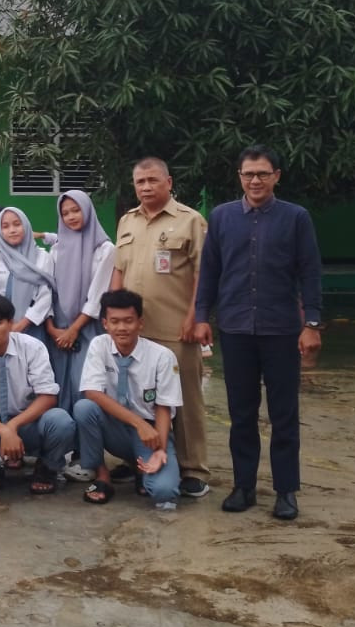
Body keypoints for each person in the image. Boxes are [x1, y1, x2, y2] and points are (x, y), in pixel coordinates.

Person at [194, 145, 322, 521]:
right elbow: (210, 271)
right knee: (242, 414)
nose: (255, 180)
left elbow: (310, 272)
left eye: (263, 174)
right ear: (240, 177)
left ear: (276, 176)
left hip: (281, 328)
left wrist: (311, 323)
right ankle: (243, 486)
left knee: (284, 414)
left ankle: (285, 491)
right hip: (235, 329)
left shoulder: (296, 218)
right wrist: (203, 316)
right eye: (248, 174)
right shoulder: (221, 218)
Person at [109, 158, 210, 499]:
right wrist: (110, 312)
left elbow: (203, 273)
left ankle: (193, 468)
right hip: (132, 331)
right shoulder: (127, 221)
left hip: (175, 329)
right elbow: (119, 271)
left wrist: (195, 316)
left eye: (153, 180)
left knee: (186, 401)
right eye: (140, 182)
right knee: (134, 399)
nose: (146, 187)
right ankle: (136, 456)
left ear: (168, 181)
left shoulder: (190, 221)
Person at [0, 296, 74, 495]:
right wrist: (2, 430)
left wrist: (12, 426)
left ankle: (47, 468)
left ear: (11, 323)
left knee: (61, 422)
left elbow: (48, 396)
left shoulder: (32, 347)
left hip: (28, 420)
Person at [73, 289, 182, 509]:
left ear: (140, 323)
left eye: (128, 321)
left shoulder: (162, 356)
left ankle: (140, 467)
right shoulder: (99, 345)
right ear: (105, 323)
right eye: (115, 321)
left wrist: (159, 449)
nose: (122, 328)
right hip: (115, 426)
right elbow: (92, 392)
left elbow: (163, 407)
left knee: (165, 492)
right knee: (84, 408)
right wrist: (138, 423)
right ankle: (102, 477)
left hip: (150, 433)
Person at [33, 190, 114, 420]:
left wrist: (74, 329)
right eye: (65, 213)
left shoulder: (105, 249)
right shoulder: (58, 248)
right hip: (58, 330)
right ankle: (61, 447)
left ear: (87, 210)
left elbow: (97, 295)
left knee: (84, 385)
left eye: (76, 210)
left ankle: (84, 448)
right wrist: (51, 328)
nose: (71, 217)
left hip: (87, 327)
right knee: (57, 385)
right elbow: (48, 288)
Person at [0, 206, 50, 339]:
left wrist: (22, 324)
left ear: (26, 226)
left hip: (33, 326)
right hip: (1, 328)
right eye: (5, 226)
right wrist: (2, 324)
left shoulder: (42, 257)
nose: (12, 230)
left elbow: (46, 295)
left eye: (17, 224)